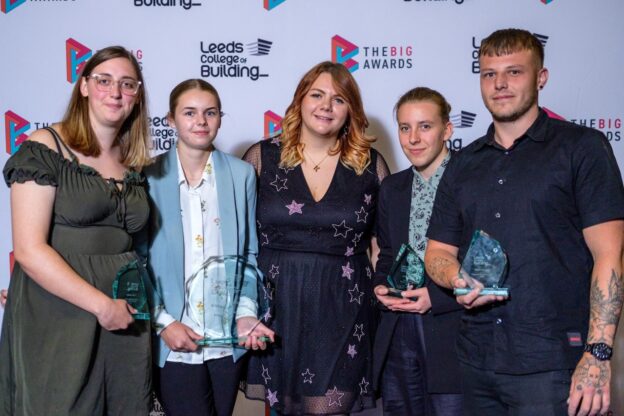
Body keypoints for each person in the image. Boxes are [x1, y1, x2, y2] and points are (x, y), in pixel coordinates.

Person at [424, 28, 624, 416]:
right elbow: (438, 252)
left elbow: (610, 255)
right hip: (476, 361)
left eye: (514, 72)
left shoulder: (582, 147)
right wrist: (456, 278)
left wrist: (598, 353)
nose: (499, 84)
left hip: (555, 362)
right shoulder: (463, 165)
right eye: (488, 74)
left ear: (541, 78)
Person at [0, 46, 153, 415]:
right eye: (104, 81)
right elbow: (30, 250)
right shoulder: (44, 147)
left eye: (127, 84)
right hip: (63, 311)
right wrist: (101, 306)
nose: (115, 92)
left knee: (125, 404)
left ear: (137, 96)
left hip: (127, 312)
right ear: (83, 86)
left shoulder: (132, 159)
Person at [243, 61, 389, 414]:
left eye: (339, 100)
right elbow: (239, 241)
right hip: (277, 308)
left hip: (344, 309)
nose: (326, 106)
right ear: (300, 101)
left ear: (350, 111)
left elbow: (383, 244)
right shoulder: (262, 157)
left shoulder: (371, 165)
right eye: (317, 95)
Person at [141, 78, 274, 416]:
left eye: (210, 112)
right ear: (170, 120)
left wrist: (246, 315)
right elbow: (138, 261)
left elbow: (248, 255)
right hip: (175, 341)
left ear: (219, 118)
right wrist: (164, 322)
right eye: (189, 113)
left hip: (226, 342)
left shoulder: (242, 174)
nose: (200, 121)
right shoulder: (146, 176)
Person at [373, 87, 463, 416]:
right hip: (398, 329)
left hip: (452, 328)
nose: (413, 138)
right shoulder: (392, 188)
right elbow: (386, 253)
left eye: (425, 126)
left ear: (447, 130)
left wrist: (437, 298)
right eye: (405, 127)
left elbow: (486, 264)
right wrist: (381, 287)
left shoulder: (471, 182)